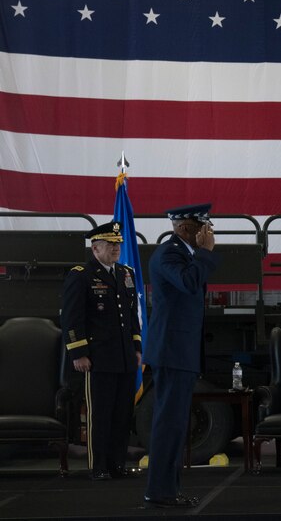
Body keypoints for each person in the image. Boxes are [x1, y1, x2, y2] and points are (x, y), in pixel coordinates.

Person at [143, 203, 218, 509]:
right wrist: (206, 253)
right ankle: (160, 490)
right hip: (172, 352)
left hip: (179, 353)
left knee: (176, 425)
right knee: (169, 424)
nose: (209, 232)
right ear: (187, 228)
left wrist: (201, 255)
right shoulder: (168, 254)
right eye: (204, 226)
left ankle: (166, 489)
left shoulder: (183, 254)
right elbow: (188, 283)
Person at [61, 221, 142, 480]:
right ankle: (100, 467)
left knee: (122, 415)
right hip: (98, 358)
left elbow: (132, 315)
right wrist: (78, 352)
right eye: (110, 244)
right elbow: (72, 318)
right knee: (101, 414)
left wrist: (137, 347)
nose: (116, 248)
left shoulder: (125, 273)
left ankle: (117, 464)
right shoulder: (81, 274)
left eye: (118, 244)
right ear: (96, 249)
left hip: (125, 357)